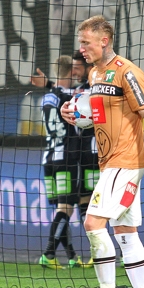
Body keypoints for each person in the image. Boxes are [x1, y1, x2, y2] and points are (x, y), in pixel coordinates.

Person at [62, 15, 144, 288]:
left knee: (93, 223)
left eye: (86, 42)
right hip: (110, 163)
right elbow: (98, 116)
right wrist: (75, 116)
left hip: (124, 162)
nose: (82, 48)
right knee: (125, 231)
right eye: (81, 42)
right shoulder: (95, 74)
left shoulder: (128, 72)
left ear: (104, 41)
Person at [38, 54, 92, 269]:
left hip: (48, 157)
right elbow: (88, 91)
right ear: (71, 71)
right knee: (66, 209)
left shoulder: (47, 97)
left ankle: (71, 256)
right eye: (76, 70)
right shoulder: (73, 96)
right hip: (67, 158)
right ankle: (49, 254)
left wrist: (48, 84)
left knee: (63, 208)